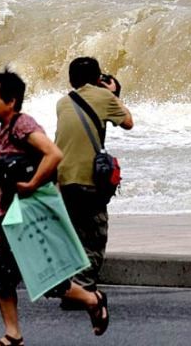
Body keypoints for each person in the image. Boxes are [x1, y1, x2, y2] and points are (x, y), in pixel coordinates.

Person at [0, 70, 110, 346]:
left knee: (46, 278)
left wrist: (33, 184)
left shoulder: (22, 125)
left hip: (31, 216)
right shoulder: (3, 131)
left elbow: (54, 154)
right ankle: (13, 334)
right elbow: (8, 180)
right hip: (10, 216)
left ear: (11, 101)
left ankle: (91, 299)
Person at [55, 57, 133, 297]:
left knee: (74, 235)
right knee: (94, 237)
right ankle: (84, 292)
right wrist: (113, 93)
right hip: (89, 180)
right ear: (99, 78)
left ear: (70, 79)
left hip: (63, 179)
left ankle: (73, 286)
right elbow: (128, 122)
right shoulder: (105, 97)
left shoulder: (63, 102)